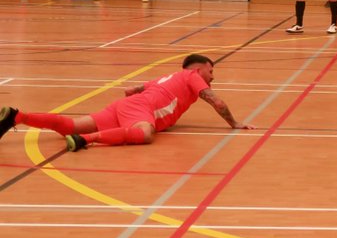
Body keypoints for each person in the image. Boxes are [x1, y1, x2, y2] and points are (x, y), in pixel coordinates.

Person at [0, 54, 253, 152]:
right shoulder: (192, 77)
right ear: (198, 69)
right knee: (144, 134)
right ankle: (85, 141)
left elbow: (135, 88)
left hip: (128, 107)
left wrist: (135, 92)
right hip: (140, 109)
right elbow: (215, 101)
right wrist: (234, 123)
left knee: (70, 124)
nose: (212, 77)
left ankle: (18, 115)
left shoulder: (172, 76)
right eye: (210, 71)